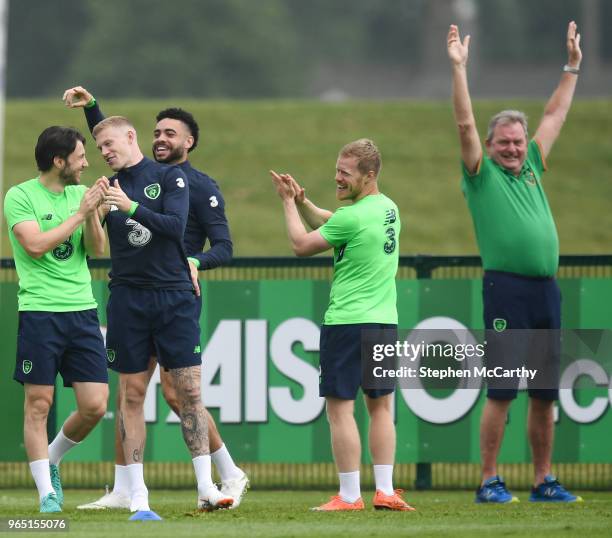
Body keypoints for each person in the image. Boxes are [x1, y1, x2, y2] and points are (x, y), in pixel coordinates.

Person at [62, 87, 247, 510]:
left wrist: (196, 260)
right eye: (157, 131)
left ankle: (214, 481)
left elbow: (214, 242)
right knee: (135, 393)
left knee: (184, 394)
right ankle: (129, 490)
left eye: (170, 133)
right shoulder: (119, 176)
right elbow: (111, 137)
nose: (161, 138)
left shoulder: (188, 183)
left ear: (189, 142)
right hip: (129, 298)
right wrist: (92, 109)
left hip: (176, 294)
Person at [447, 22, 583, 503]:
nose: (512, 148)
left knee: (545, 393)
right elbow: (464, 123)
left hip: (546, 290)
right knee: (503, 391)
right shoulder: (480, 174)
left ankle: (543, 480)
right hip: (506, 289)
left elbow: (555, 114)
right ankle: (489, 480)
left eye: (517, 141)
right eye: (503, 141)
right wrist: (459, 68)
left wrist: (571, 66)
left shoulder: (532, 166)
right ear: (490, 144)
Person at [270, 139, 414, 512]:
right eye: (337, 169)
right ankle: (385, 490)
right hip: (384, 321)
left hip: (348, 322)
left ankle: (350, 496)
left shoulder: (353, 217)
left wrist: (287, 203)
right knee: (381, 406)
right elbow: (335, 223)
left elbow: (302, 245)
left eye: (344, 173)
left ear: (368, 176)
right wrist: (304, 203)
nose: (337, 177)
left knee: (340, 409)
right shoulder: (388, 209)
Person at [3, 126, 109, 512]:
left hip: (81, 311)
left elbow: (97, 251)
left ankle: (52, 458)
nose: (86, 163)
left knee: (96, 404)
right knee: (39, 403)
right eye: (80, 156)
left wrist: (95, 213)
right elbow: (34, 247)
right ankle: (47, 493)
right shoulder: (19, 196)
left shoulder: (81, 195)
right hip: (40, 312)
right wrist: (80, 214)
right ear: (58, 160)